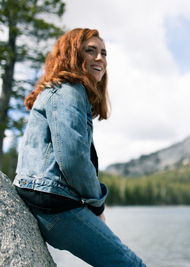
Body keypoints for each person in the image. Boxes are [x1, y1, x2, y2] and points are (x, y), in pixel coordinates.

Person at [13, 28, 146, 267]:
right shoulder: (69, 89)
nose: (100, 58)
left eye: (104, 53)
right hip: (55, 204)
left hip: (44, 199)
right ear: (73, 54)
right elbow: (73, 158)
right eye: (90, 51)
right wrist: (97, 204)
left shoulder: (60, 90)